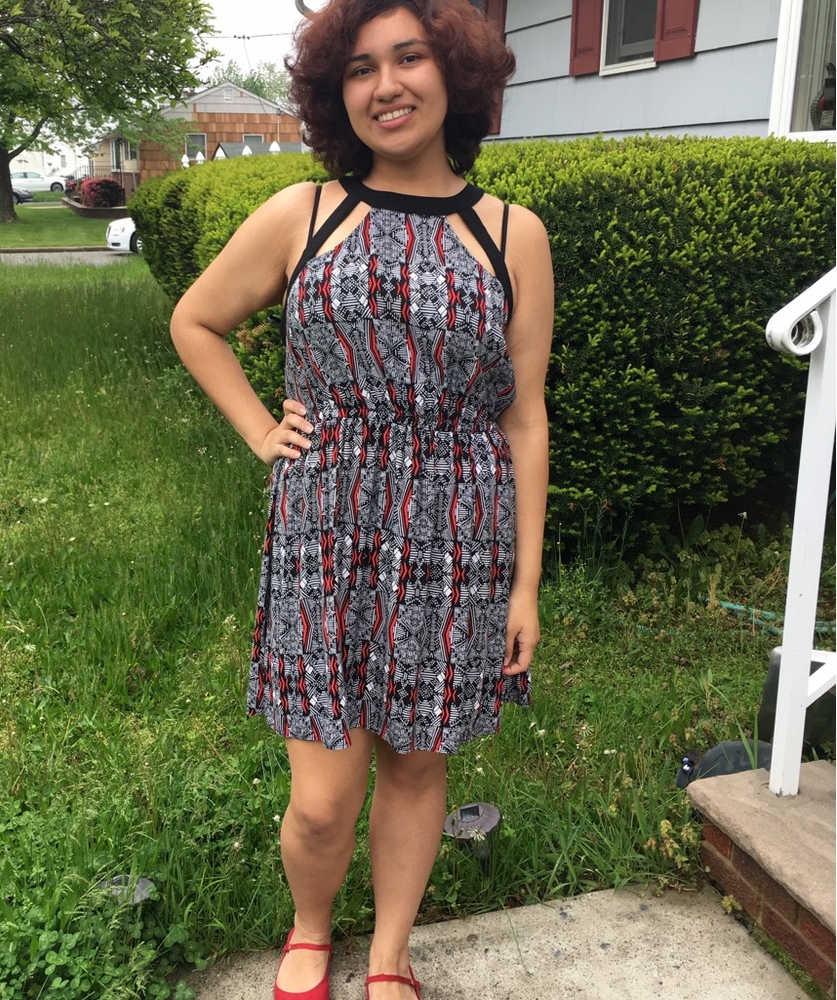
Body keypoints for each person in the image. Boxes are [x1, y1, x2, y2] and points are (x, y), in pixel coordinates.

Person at [170, 1, 554, 996]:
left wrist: (524, 584)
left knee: (419, 767)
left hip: (455, 545)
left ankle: (387, 954)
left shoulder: (512, 235)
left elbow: (523, 420)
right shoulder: (307, 213)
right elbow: (197, 320)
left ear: (455, 73)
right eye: (358, 69)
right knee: (321, 796)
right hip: (323, 537)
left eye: (409, 58)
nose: (385, 85)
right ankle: (310, 926)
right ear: (333, 93)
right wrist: (262, 431)